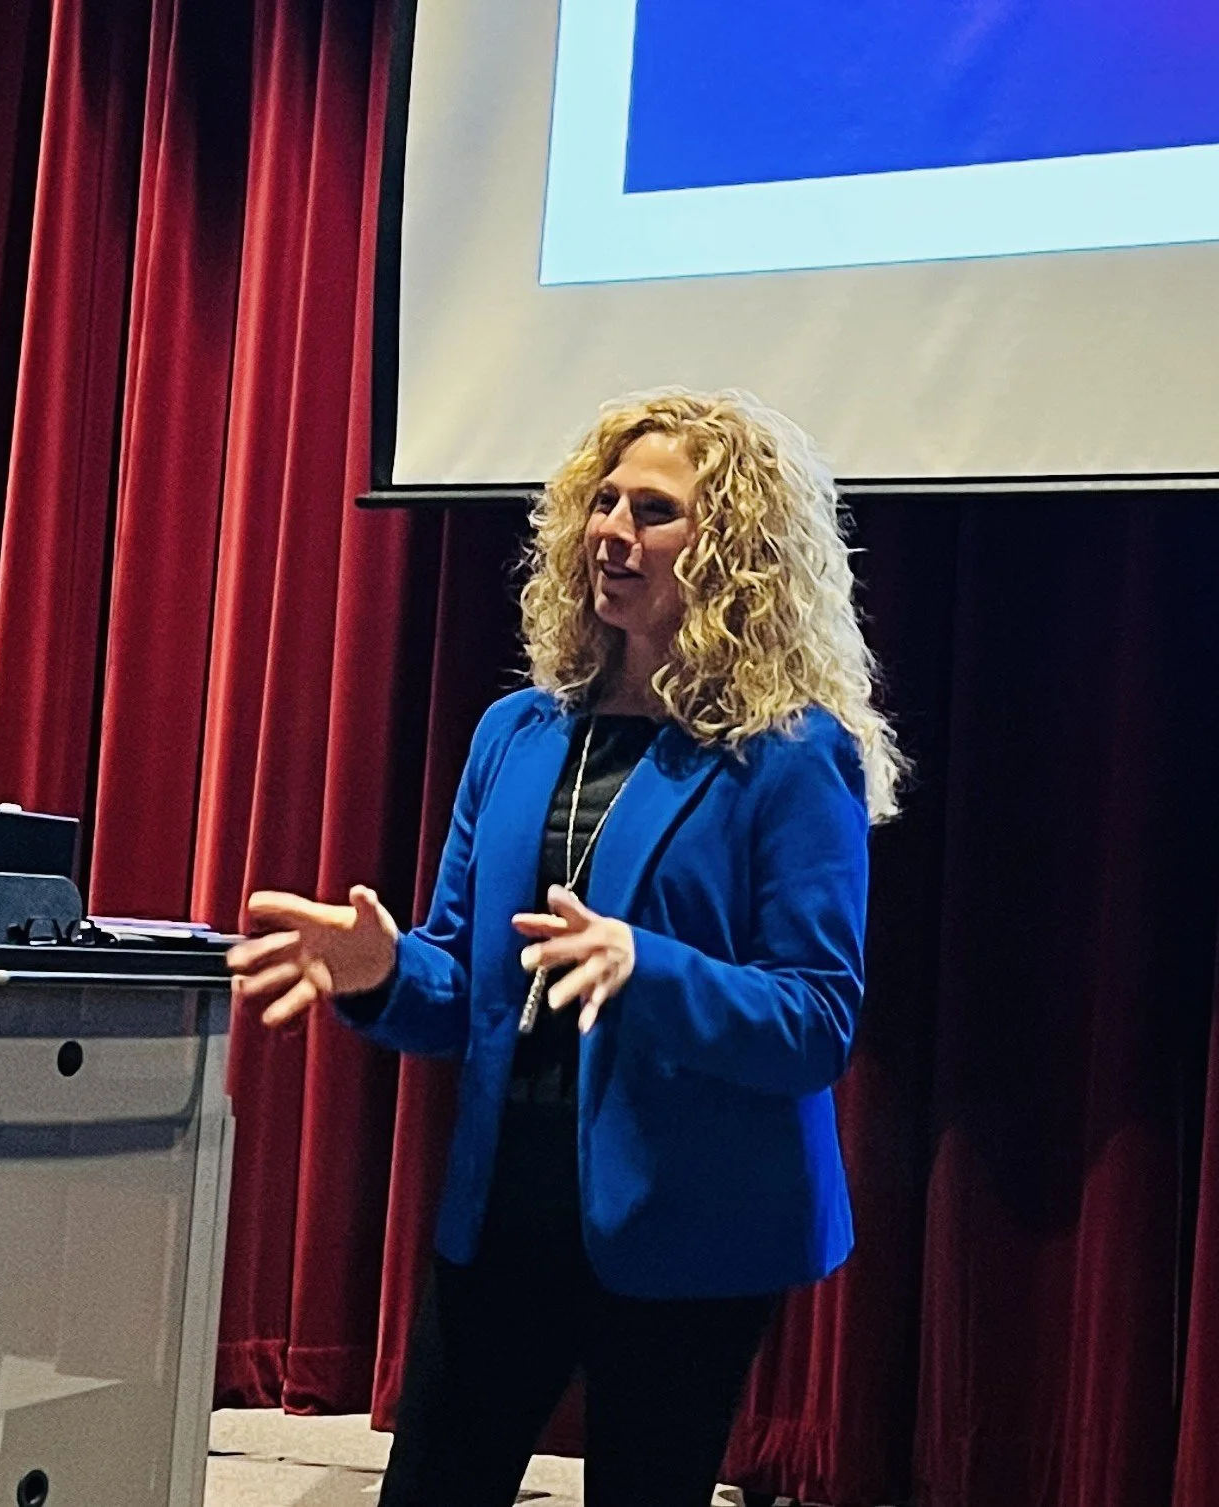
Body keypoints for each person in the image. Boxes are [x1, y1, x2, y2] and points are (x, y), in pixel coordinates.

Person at [226, 389, 903, 1506]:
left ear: (733, 549)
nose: (611, 528)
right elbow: (461, 982)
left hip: (688, 1225)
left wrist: (651, 967)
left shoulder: (787, 756)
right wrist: (386, 970)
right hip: (504, 1209)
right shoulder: (518, 733)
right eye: (603, 500)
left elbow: (816, 1020)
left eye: (655, 510)